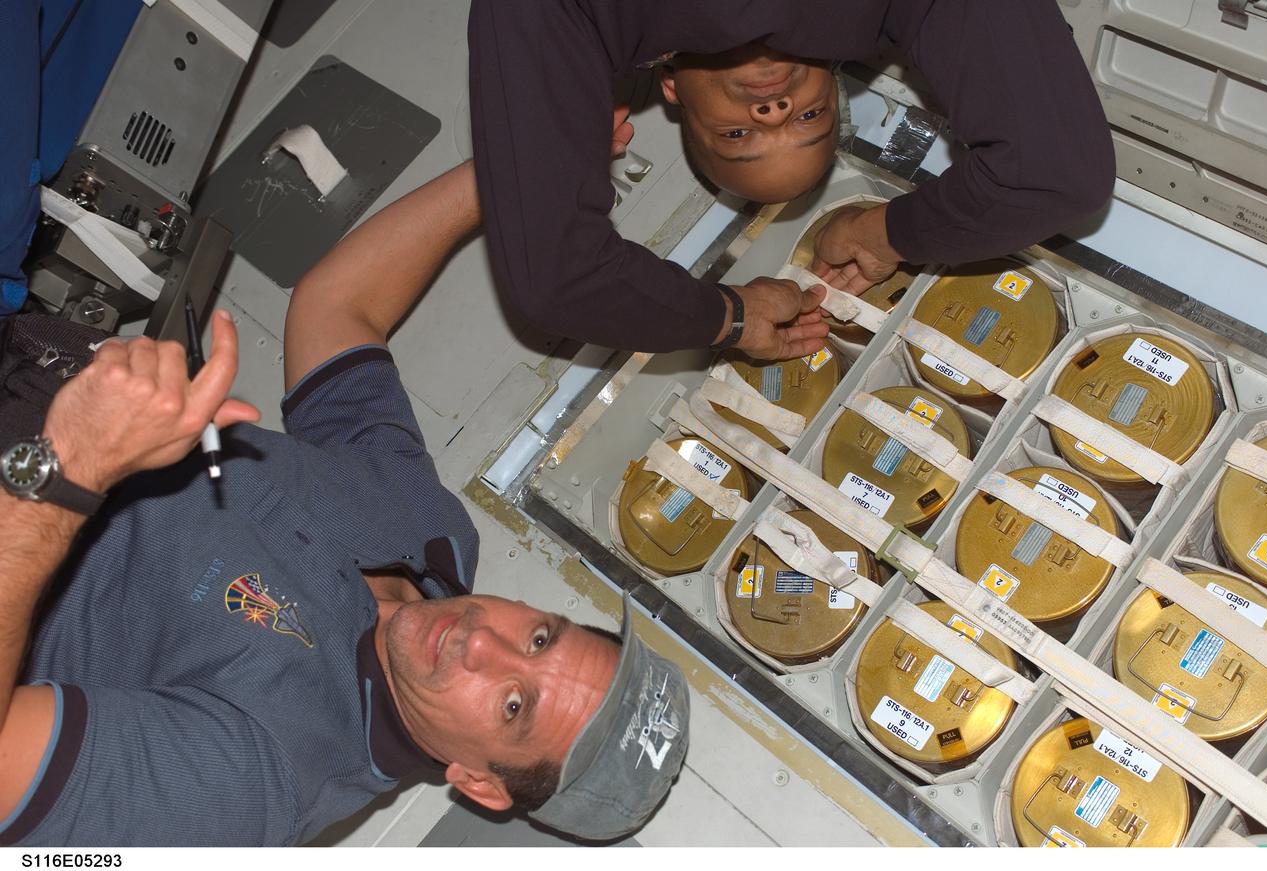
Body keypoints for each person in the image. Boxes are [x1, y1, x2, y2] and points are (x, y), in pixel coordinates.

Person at [0, 160, 690, 846]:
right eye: (540, 637)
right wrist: (520, 162)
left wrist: (69, 468)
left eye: (514, 704)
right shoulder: (437, 535)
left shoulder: (261, 783)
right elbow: (339, 305)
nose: (483, 641)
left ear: (479, 780)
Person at [468, 0, 1115, 358]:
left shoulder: (575, 16)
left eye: (738, 135)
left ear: (669, 87)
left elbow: (557, 274)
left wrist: (729, 316)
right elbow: (1054, 174)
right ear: (833, 74)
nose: (774, 111)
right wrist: (888, 232)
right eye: (811, 116)